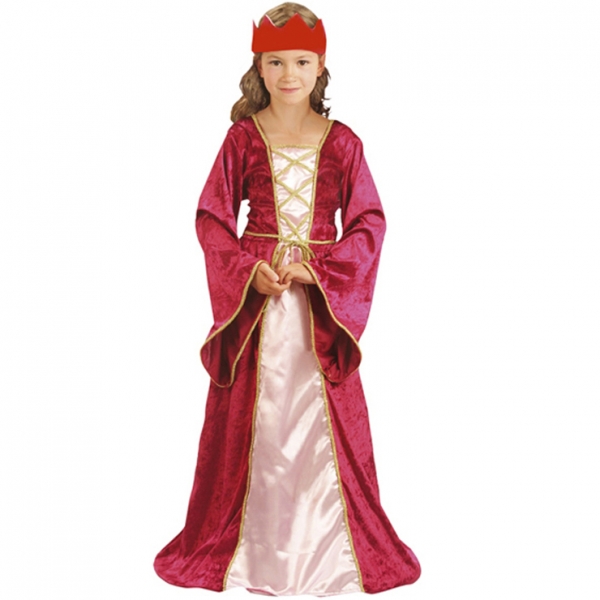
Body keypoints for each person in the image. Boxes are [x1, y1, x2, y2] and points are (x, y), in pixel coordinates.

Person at [154, 2, 421, 595]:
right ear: (259, 67)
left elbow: (368, 222)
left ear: (321, 66)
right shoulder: (241, 139)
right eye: (275, 62)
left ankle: (328, 547)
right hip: (257, 309)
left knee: (323, 421)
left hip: (318, 311)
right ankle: (250, 547)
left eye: (301, 61)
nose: (289, 74)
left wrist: (319, 270)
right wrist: (249, 271)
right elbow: (212, 218)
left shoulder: (344, 143)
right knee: (258, 421)